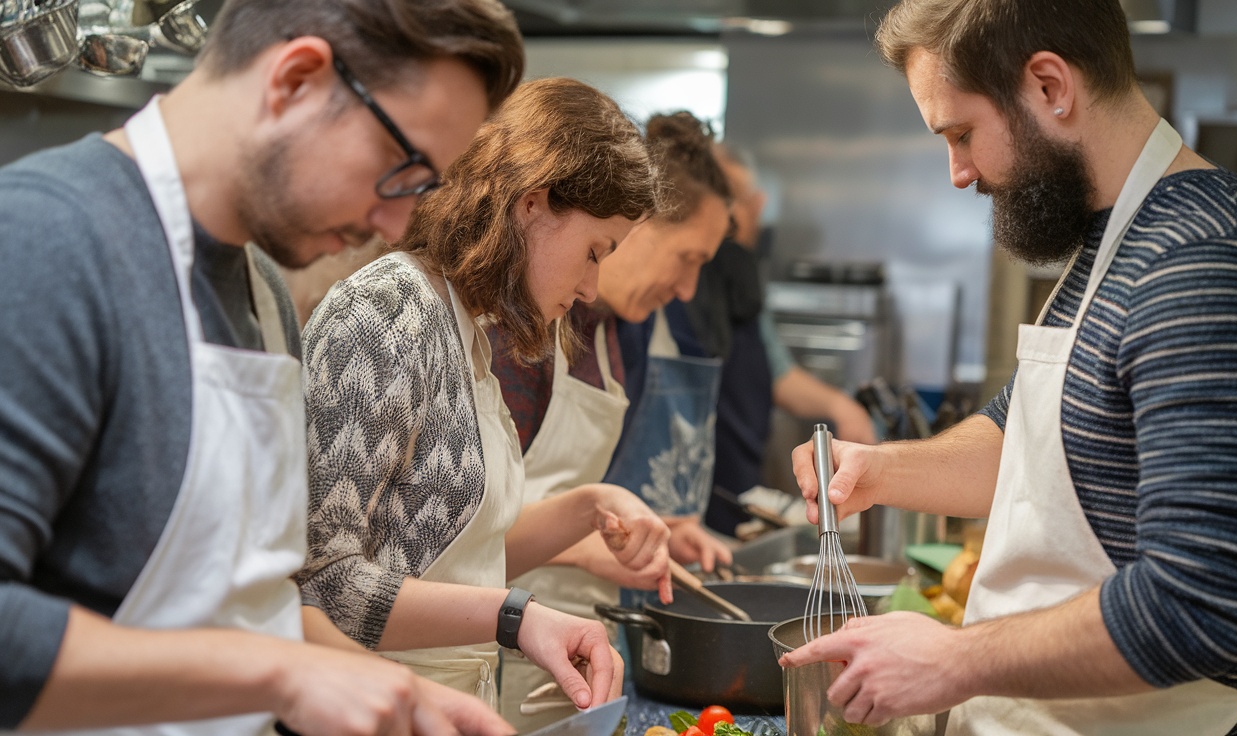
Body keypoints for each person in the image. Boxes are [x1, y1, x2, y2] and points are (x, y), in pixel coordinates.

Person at [781, 1, 1237, 734]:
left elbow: (1205, 603)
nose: (958, 173)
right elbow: (1029, 441)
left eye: (962, 133)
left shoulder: (1201, 265)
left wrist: (955, 660)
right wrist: (879, 471)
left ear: (1050, 88)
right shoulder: (1115, 241)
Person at [0, 0, 526, 734]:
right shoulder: (47, 244)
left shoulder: (263, 291)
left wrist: (391, 690)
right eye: (401, 169)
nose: (400, 225)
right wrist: (283, 677)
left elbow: (251, 600)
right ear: (297, 79)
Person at [296, 77, 673, 713]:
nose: (590, 287)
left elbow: (457, 560)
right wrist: (515, 617)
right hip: (368, 715)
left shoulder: (465, 329)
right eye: (592, 252)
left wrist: (589, 505)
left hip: (452, 710)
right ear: (534, 204)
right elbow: (320, 586)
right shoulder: (388, 312)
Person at [492, 111, 735, 731]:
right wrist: (589, 548)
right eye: (686, 258)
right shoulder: (513, 337)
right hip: (492, 656)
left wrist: (651, 530)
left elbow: (559, 495)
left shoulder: (606, 333)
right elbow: (453, 540)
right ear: (638, 219)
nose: (686, 290)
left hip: (568, 650)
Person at [691, 143, 877, 536]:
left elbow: (776, 374)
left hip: (736, 491)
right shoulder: (681, 285)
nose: (732, 217)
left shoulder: (740, 281)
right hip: (692, 501)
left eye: (735, 202)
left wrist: (841, 407)